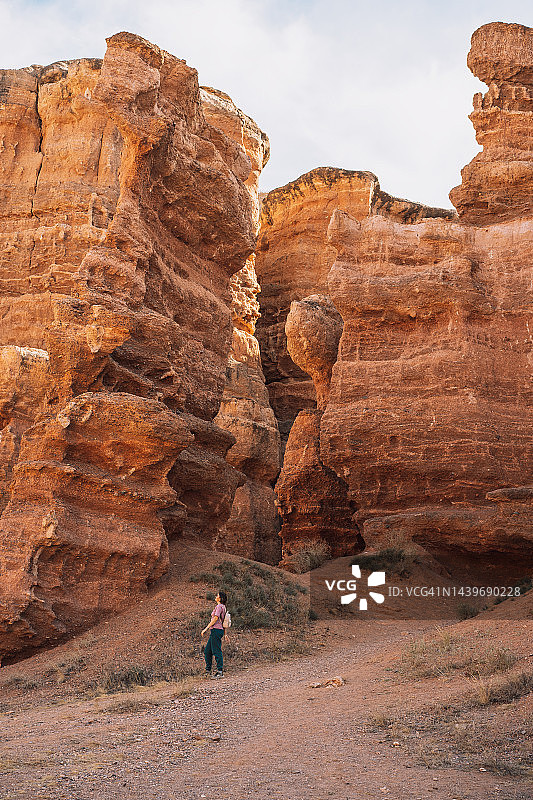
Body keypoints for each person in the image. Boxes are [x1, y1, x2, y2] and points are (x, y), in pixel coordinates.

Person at [201, 590, 227, 678]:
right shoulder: (223, 607)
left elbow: (216, 618)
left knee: (216, 651)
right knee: (207, 651)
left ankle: (220, 672)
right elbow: (223, 621)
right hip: (217, 631)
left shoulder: (219, 606)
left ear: (220, 598)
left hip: (216, 630)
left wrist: (206, 628)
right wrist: (225, 633)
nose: (216, 596)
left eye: (217, 595)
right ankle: (208, 670)